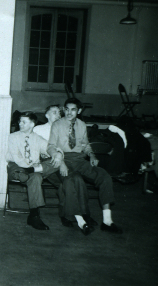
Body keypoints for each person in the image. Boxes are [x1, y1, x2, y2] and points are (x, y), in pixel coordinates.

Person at [48, 98, 123, 234]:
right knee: (73, 179)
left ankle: (107, 221)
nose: (69, 113)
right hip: (64, 158)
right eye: (67, 109)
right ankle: (81, 221)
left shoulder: (82, 125)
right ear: (64, 109)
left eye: (73, 109)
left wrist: (92, 155)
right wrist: (61, 163)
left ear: (79, 111)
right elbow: (51, 147)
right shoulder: (57, 125)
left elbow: (86, 145)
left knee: (104, 175)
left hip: (80, 160)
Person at [7, 111, 73, 231]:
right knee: (35, 175)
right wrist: (31, 165)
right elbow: (17, 158)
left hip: (34, 170)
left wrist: (58, 155)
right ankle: (30, 172)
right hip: (17, 167)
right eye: (19, 121)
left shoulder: (38, 138)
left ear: (32, 124)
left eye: (24, 122)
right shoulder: (12, 137)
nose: (20, 124)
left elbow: (51, 148)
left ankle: (34, 216)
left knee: (48, 167)